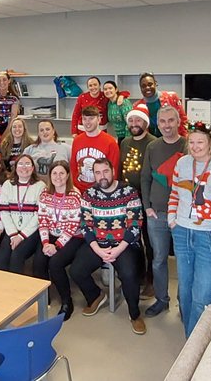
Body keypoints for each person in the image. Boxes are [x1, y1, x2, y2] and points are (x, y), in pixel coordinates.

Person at [168, 122, 211, 338]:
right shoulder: (182, 163)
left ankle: (198, 343)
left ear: (210, 144)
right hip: (182, 232)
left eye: (200, 142)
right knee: (186, 292)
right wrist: (172, 220)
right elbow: (175, 194)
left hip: (210, 236)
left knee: (204, 294)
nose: (195, 146)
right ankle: (192, 338)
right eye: (192, 142)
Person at [71, 158, 146, 335]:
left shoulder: (128, 192)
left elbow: (135, 224)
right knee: (76, 270)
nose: (102, 176)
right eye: (97, 173)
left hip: (124, 245)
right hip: (99, 244)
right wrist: (99, 250)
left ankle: (134, 314)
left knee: (129, 275)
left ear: (113, 170)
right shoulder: (89, 194)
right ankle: (96, 296)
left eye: (105, 171)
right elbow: (86, 225)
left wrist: (117, 250)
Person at [138, 106, 186, 317]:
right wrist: (147, 207)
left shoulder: (188, 145)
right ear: (158, 123)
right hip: (157, 214)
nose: (167, 125)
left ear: (178, 122)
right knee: (158, 260)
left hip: (183, 216)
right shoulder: (152, 147)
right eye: (163, 121)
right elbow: (145, 178)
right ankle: (161, 300)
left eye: (170, 121)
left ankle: (184, 304)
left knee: (184, 262)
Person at [37, 161, 84, 320]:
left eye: (61, 173)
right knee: (39, 261)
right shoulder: (45, 193)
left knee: (55, 263)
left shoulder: (74, 195)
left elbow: (72, 225)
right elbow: (42, 220)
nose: (58, 177)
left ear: (68, 175)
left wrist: (56, 246)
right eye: (54, 173)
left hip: (72, 237)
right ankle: (43, 298)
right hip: (50, 235)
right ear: (50, 176)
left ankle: (66, 301)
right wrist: (45, 243)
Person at [118, 108, 156, 299]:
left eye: (138, 120)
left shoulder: (154, 144)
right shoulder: (124, 143)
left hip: (147, 198)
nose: (134, 124)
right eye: (131, 120)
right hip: (127, 199)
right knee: (133, 240)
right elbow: (119, 169)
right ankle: (139, 275)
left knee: (150, 242)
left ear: (146, 123)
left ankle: (152, 281)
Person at [0, 153, 44, 275]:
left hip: (31, 232)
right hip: (12, 230)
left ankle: (16, 291)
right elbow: (4, 212)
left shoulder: (40, 186)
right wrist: (13, 234)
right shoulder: (8, 185)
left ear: (33, 168)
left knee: (16, 257)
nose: (24, 167)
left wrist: (21, 236)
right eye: (21, 164)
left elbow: (38, 216)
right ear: (16, 168)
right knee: (1, 260)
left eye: (28, 164)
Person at [71, 107, 119, 193]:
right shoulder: (77, 140)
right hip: (79, 190)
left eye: (91, 118)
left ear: (99, 119)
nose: (87, 122)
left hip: (100, 191)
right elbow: (73, 167)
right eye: (84, 119)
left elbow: (114, 171)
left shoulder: (110, 142)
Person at [136, 73, 187, 137]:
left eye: (150, 84)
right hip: (150, 143)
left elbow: (183, 120)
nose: (147, 87)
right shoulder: (137, 106)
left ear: (155, 84)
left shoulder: (171, 97)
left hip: (173, 140)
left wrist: (183, 140)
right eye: (143, 86)